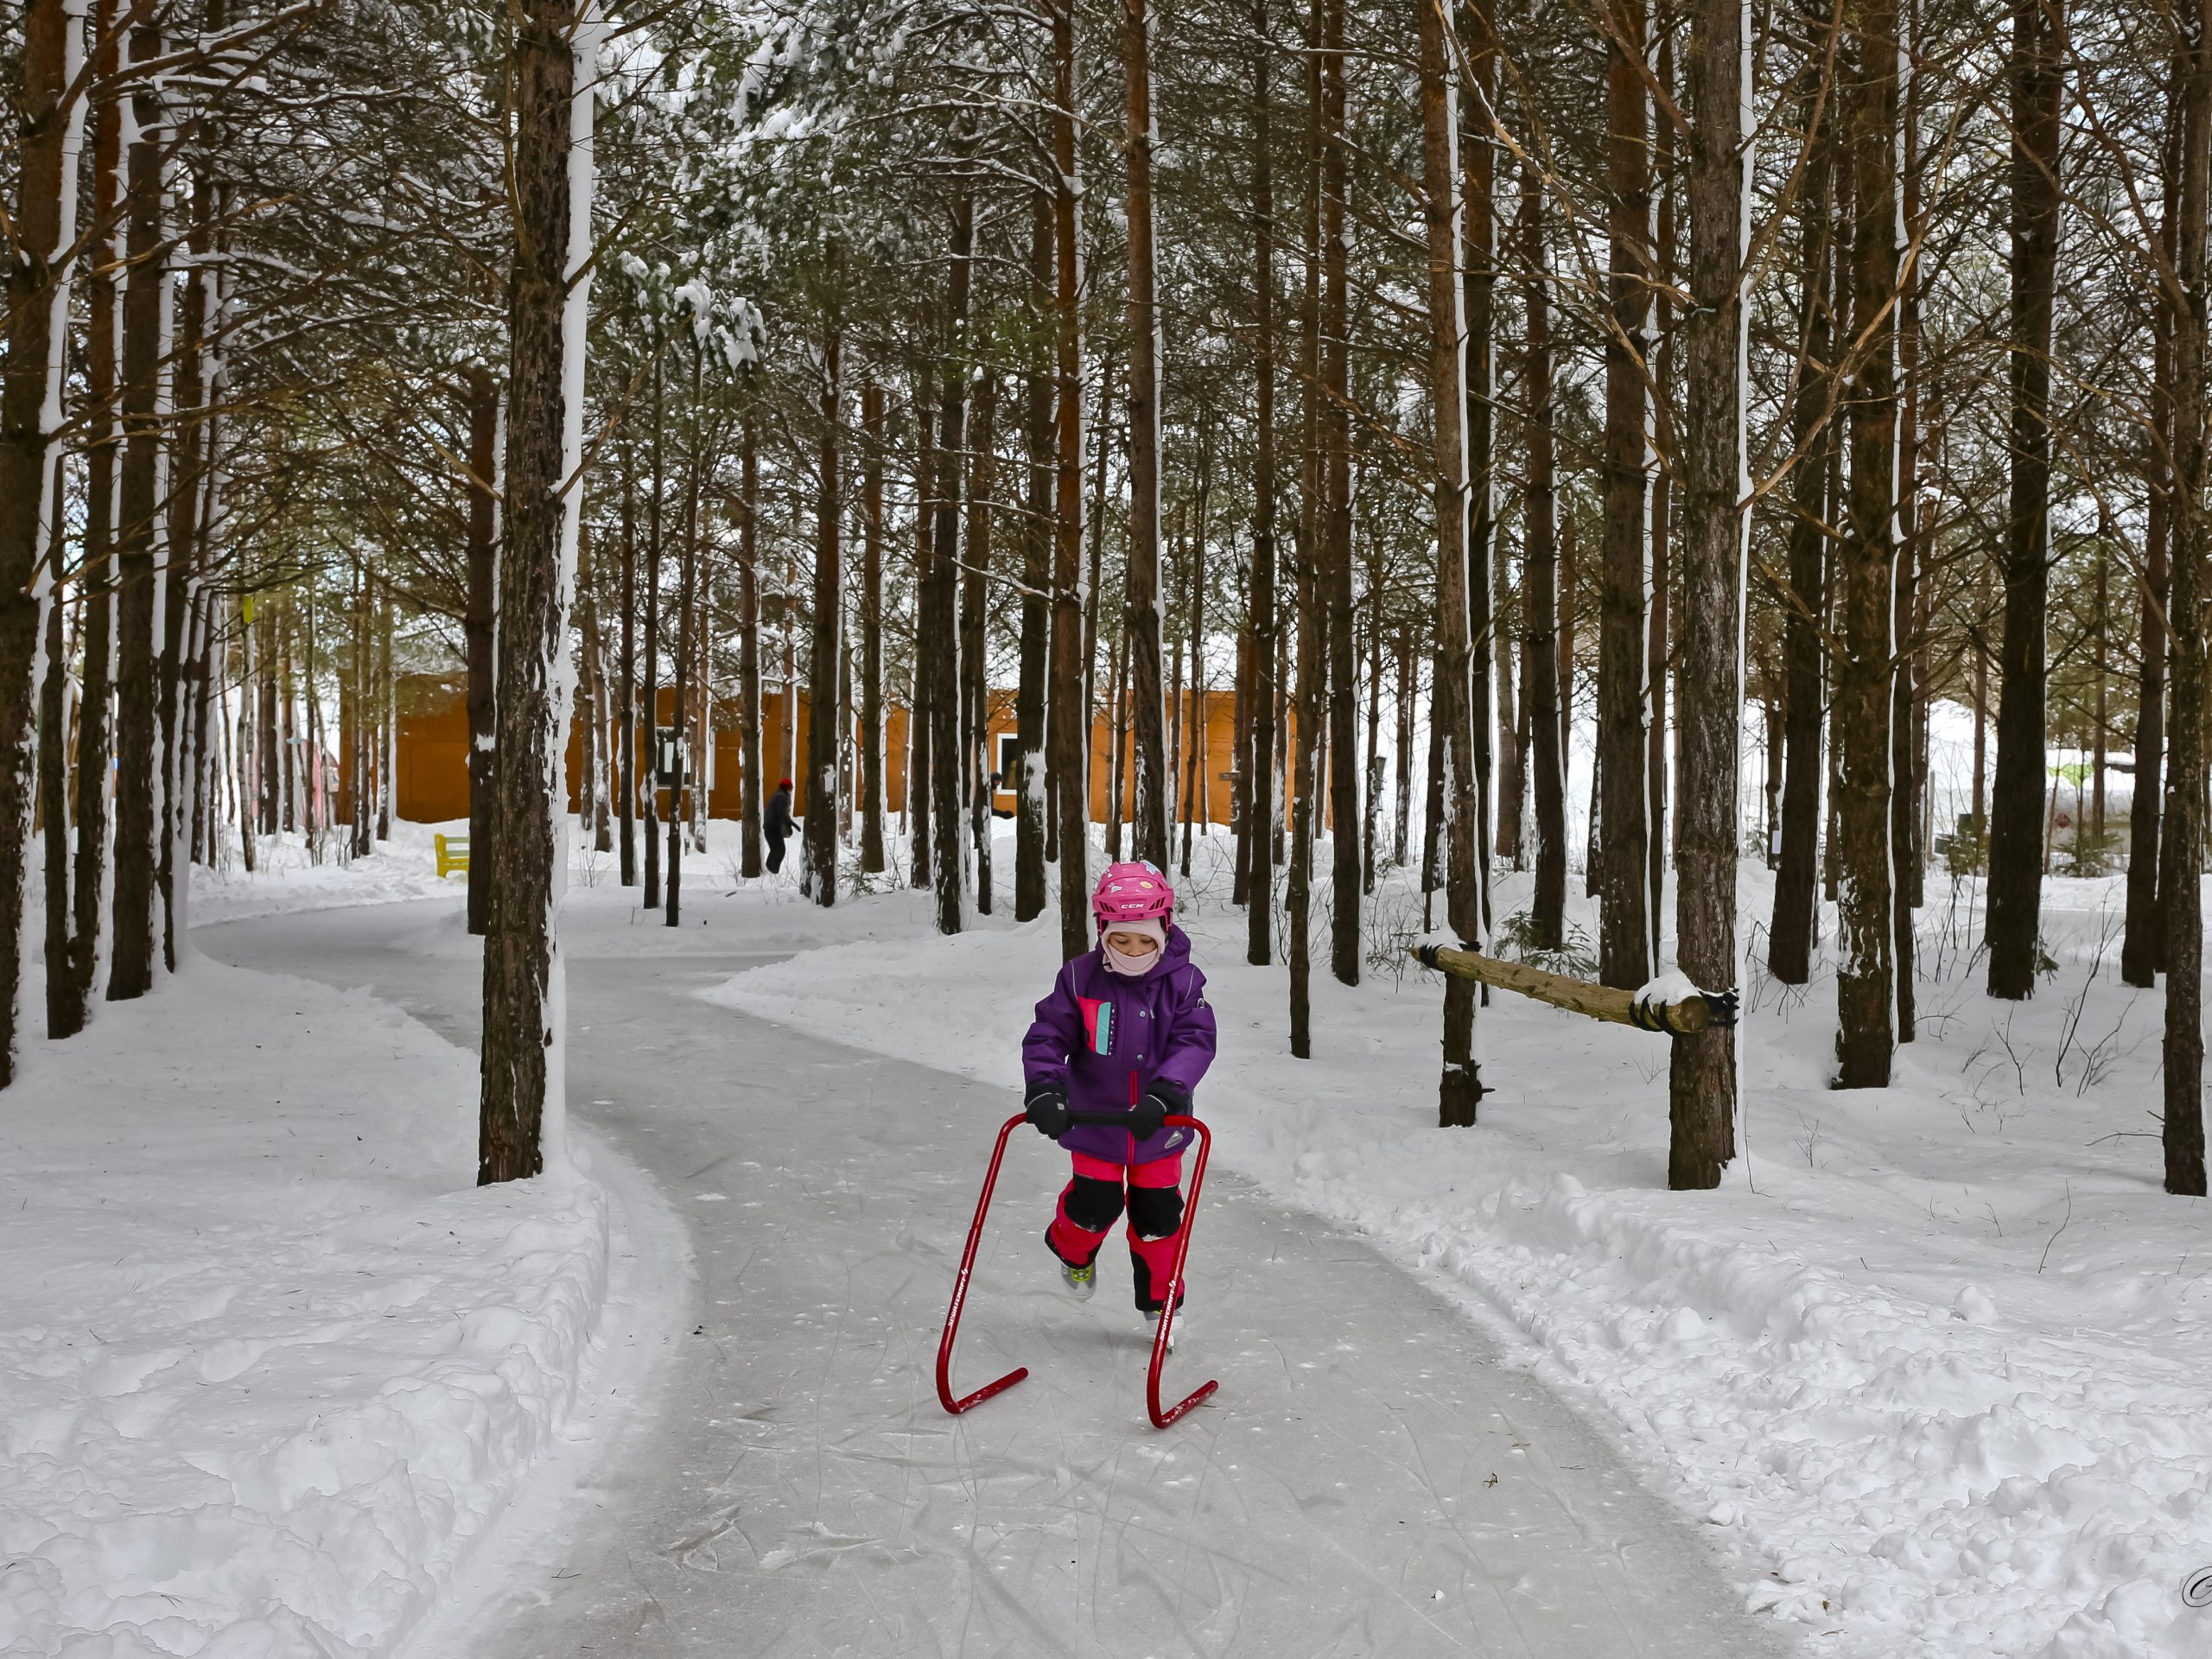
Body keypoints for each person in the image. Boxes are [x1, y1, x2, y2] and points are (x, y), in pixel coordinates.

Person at [1020, 861, 1216, 1338]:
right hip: (1095, 1123)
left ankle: (1160, 1302)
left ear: (1164, 933)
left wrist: (1166, 1093)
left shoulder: (1184, 983)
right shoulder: (1079, 979)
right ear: (1104, 932)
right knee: (1095, 1206)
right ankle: (1070, 1248)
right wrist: (1045, 1087)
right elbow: (1047, 1035)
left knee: (1158, 1218)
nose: (1134, 951)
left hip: (1158, 1126)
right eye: (1121, 939)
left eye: (1146, 940)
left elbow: (1194, 1041)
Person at [765, 777, 794, 874]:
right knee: (780, 851)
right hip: (773, 828)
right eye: (791, 788)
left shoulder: (777, 794)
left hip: (769, 827)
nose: (791, 790)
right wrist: (789, 825)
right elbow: (782, 814)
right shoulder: (782, 797)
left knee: (775, 850)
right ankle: (773, 872)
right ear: (787, 788)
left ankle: (769, 871)